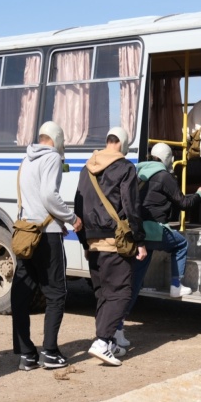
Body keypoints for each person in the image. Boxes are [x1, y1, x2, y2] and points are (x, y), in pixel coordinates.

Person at [114, 143, 201, 347]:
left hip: (137, 233)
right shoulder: (164, 176)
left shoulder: (138, 173)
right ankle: (175, 284)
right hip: (154, 231)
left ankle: (117, 328)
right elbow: (183, 203)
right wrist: (199, 194)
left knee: (134, 283)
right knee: (180, 244)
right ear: (167, 159)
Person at [11, 121, 81, 371]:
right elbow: (50, 195)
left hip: (26, 233)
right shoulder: (51, 158)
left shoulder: (25, 160)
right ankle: (50, 352)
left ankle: (27, 355)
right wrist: (71, 218)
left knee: (21, 294)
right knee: (56, 293)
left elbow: (28, 199)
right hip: (46, 236)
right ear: (57, 139)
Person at [74, 127, 147, 366]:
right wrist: (139, 240)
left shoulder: (87, 168)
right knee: (121, 293)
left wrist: (85, 241)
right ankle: (103, 341)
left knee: (103, 294)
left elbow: (79, 205)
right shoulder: (125, 168)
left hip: (93, 241)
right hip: (115, 242)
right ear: (123, 144)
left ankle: (109, 343)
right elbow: (131, 206)